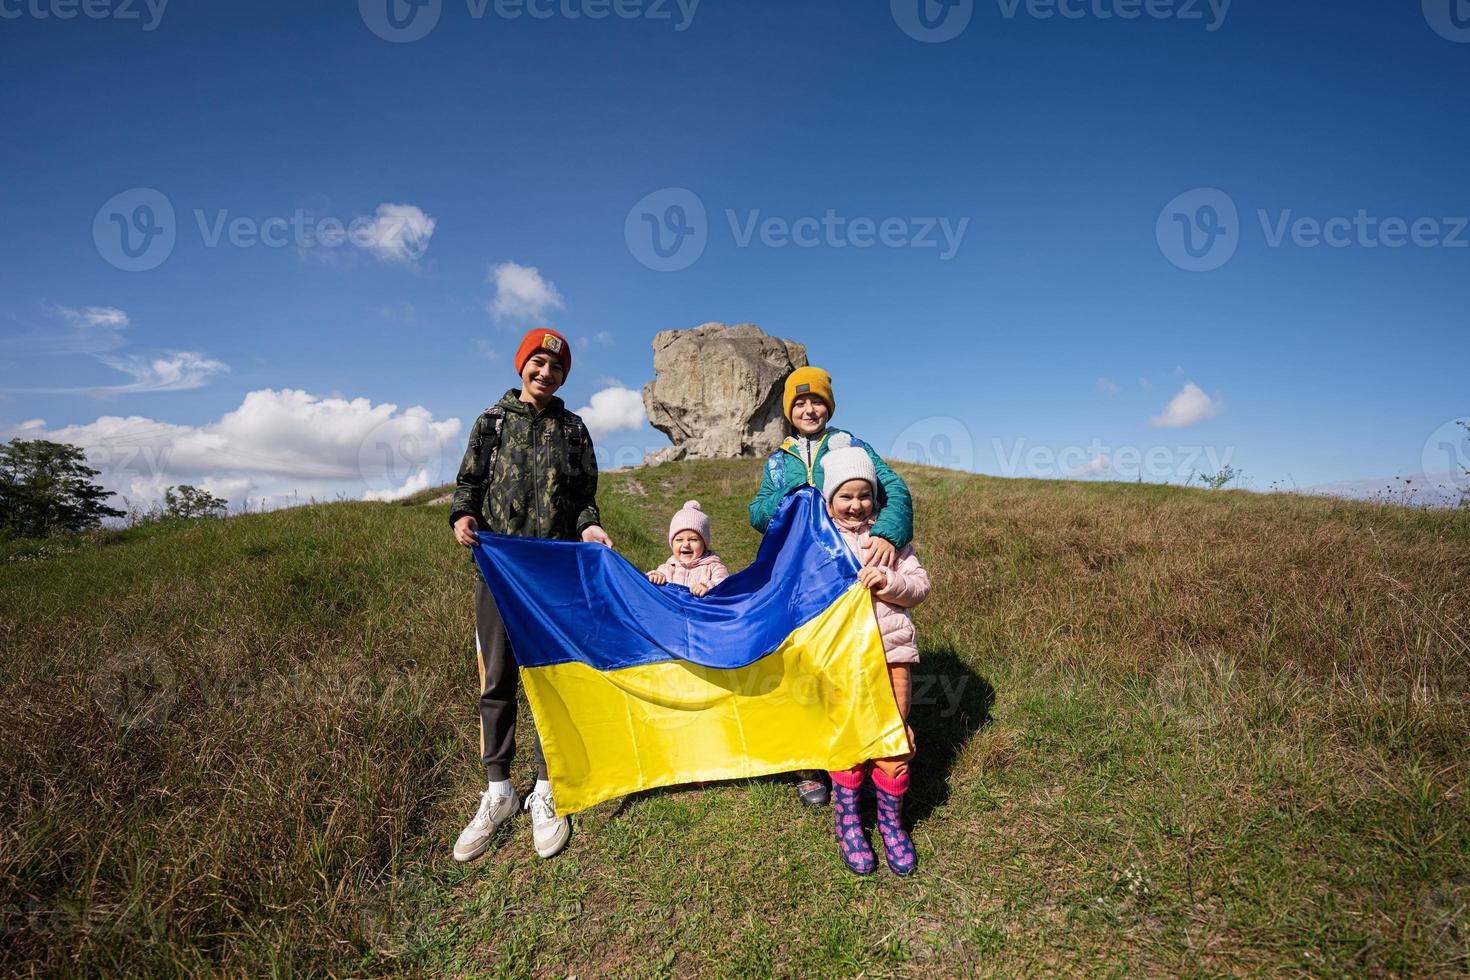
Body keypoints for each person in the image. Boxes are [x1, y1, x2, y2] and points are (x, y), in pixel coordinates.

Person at [448, 327, 614, 862]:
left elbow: (586, 497)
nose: (545, 374)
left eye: (556, 368)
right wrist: (463, 515)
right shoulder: (491, 422)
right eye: (537, 364)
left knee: (552, 678)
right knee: (495, 679)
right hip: (499, 572)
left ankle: (548, 786)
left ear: (565, 376)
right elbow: (467, 484)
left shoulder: (573, 429)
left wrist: (589, 527)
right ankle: (499, 789)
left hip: (554, 576)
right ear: (522, 366)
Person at [748, 366, 914, 806]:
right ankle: (809, 762)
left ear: (829, 406)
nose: (808, 409)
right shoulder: (778, 459)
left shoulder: (852, 445)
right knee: (804, 661)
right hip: (801, 575)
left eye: (816, 401)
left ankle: (856, 751)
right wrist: (794, 500)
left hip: (848, 572)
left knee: (843, 662)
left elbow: (895, 490)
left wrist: (888, 534)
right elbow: (758, 511)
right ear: (788, 410)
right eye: (799, 403)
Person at [819, 446, 931, 877]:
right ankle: (848, 821)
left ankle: (890, 822)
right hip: (840, 660)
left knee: (893, 737)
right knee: (847, 735)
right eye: (845, 496)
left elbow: (920, 588)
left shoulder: (890, 542)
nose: (856, 504)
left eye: (864, 495)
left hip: (890, 655)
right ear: (830, 501)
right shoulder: (819, 542)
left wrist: (888, 581)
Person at [647, 500, 729, 597]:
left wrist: (707, 586)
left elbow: (724, 584)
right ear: (672, 544)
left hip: (700, 611)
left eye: (693, 539)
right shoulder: (666, 568)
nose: (685, 544)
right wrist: (655, 577)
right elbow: (651, 588)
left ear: (704, 543)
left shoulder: (714, 567)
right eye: (679, 540)